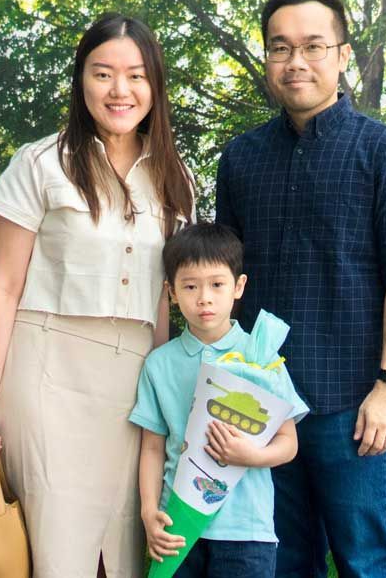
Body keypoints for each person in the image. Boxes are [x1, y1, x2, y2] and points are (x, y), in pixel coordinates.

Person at [0, 13, 195, 578]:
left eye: (137, 76)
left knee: (124, 544)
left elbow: (164, 298)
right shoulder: (40, 162)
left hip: (134, 380)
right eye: (103, 74)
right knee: (55, 544)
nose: (121, 91)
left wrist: (165, 394)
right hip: (46, 373)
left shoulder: (175, 177)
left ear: (155, 86)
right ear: (81, 80)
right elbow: (3, 287)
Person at [215, 0, 386, 577]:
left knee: (365, 562)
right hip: (261, 402)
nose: (296, 61)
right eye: (280, 48)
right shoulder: (240, 159)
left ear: (342, 54)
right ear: (267, 60)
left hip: (353, 405)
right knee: (281, 563)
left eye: (313, 46)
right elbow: (224, 278)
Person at [129, 223, 309, 577]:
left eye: (216, 284)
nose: (204, 298)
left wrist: (252, 456)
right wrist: (149, 512)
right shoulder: (159, 364)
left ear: (238, 287)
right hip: (177, 524)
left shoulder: (261, 358)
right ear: (172, 292)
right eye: (190, 286)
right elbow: (152, 447)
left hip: (247, 531)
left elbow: (289, 443)